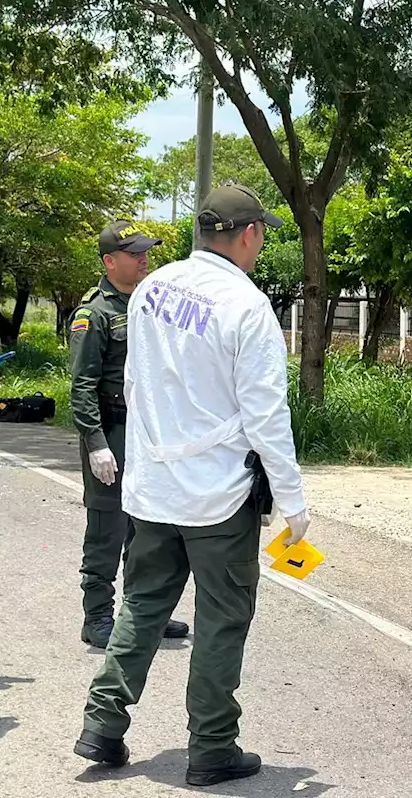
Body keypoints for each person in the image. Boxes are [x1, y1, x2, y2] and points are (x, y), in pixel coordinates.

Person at [74, 185, 310, 788]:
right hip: (218, 496)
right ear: (249, 234)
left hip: (152, 488)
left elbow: (135, 381)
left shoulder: (152, 289)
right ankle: (211, 747)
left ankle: (102, 723)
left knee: (144, 604)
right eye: (262, 235)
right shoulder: (247, 306)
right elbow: (266, 415)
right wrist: (292, 501)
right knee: (222, 618)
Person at [69, 220, 190, 648]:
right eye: (135, 253)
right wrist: (96, 444)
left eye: (146, 252)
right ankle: (97, 616)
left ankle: (141, 612)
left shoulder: (149, 303)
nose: (144, 259)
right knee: (107, 529)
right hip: (113, 430)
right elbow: (82, 386)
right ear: (109, 261)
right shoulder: (95, 312)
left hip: (145, 433)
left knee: (148, 526)